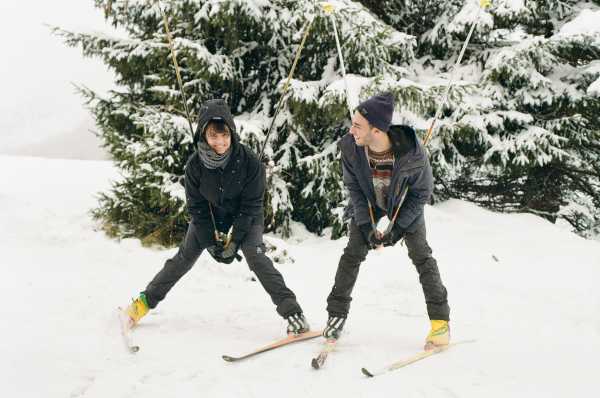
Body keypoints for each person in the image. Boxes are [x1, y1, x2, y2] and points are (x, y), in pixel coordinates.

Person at [124, 99, 309, 335]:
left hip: (246, 217)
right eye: (213, 136)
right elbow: (197, 209)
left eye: (224, 136)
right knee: (183, 258)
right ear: (203, 135)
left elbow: (251, 205)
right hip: (211, 217)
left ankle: (294, 313)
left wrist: (234, 242)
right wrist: (210, 242)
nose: (220, 142)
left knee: (257, 257)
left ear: (231, 133)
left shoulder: (250, 163)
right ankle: (142, 304)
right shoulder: (194, 167)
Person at [322, 93, 450, 350]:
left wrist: (398, 228)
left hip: (404, 204)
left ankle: (440, 324)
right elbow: (354, 188)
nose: (351, 130)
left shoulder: (413, 154)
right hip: (369, 202)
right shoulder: (350, 147)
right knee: (352, 253)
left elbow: (422, 193)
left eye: (358, 125)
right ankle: (336, 315)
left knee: (421, 255)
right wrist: (368, 227)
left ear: (377, 130)